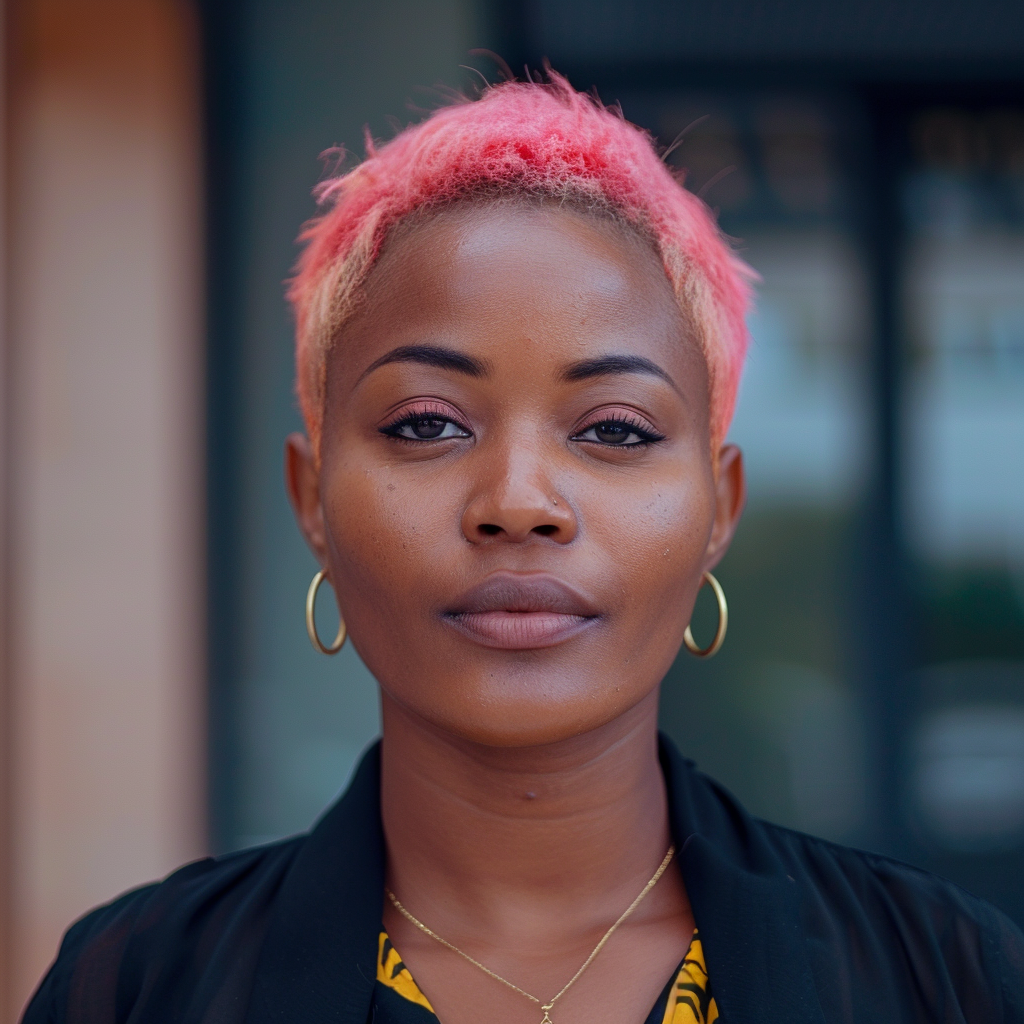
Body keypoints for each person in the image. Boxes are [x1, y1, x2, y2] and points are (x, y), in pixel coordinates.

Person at [23, 74, 1024, 1024]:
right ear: (311, 498)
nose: (517, 502)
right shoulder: (137, 987)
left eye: (615, 430)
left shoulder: (944, 977)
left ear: (718, 508)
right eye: (426, 423)